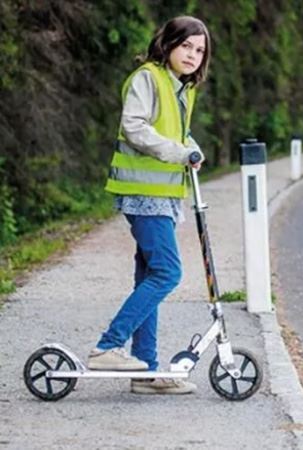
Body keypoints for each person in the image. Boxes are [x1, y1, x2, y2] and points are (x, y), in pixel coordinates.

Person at [88, 16, 211, 395]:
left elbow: (175, 131)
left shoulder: (182, 89)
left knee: (149, 276)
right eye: (186, 46)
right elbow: (136, 127)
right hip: (143, 195)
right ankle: (108, 347)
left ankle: (145, 369)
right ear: (169, 44)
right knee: (167, 273)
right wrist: (180, 151)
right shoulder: (148, 77)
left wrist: (191, 146)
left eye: (200, 50)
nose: (192, 55)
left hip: (164, 197)